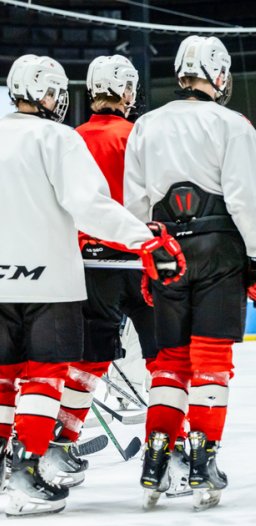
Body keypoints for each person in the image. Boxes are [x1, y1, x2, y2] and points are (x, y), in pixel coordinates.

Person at [0, 54, 185, 517]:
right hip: (74, 274)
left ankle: (37, 454)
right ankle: (31, 468)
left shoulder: (70, 134)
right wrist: (149, 240)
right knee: (50, 373)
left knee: (9, 376)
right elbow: (92, 204)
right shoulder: (65, 137)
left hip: (46, 273)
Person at [123, 35, 256, 511]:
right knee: (211, 361)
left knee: (169, 361)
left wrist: (145, 258)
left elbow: (134, 204)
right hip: (220, 248)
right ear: (217, 74)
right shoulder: (232, 124)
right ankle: (202, 462)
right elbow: (243, 198)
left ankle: (155, 461)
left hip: (165, 249)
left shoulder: (145, 125)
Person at [47, 54, 161, 489]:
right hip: (141, 260)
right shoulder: (139, 137)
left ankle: (61, 442)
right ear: (128, 91)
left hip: (88, 265)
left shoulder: (70, 138)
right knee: (163, 356)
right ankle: (167, 449)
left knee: (88, 359)